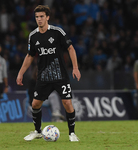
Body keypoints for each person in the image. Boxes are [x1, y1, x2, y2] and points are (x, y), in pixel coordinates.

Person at [16, 5, 81, 142]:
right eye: (37, 17)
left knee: (67, 103)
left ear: (47, 17)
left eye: (41, 17)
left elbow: (70, 48)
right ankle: (37, 131)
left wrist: (75, 67)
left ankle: (72, 133)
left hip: (60, 75)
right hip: (44, 76)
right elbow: (29, 56)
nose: (39, 19)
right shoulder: (33, 36)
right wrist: (21, 73)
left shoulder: (58, 32)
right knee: (35, 104)